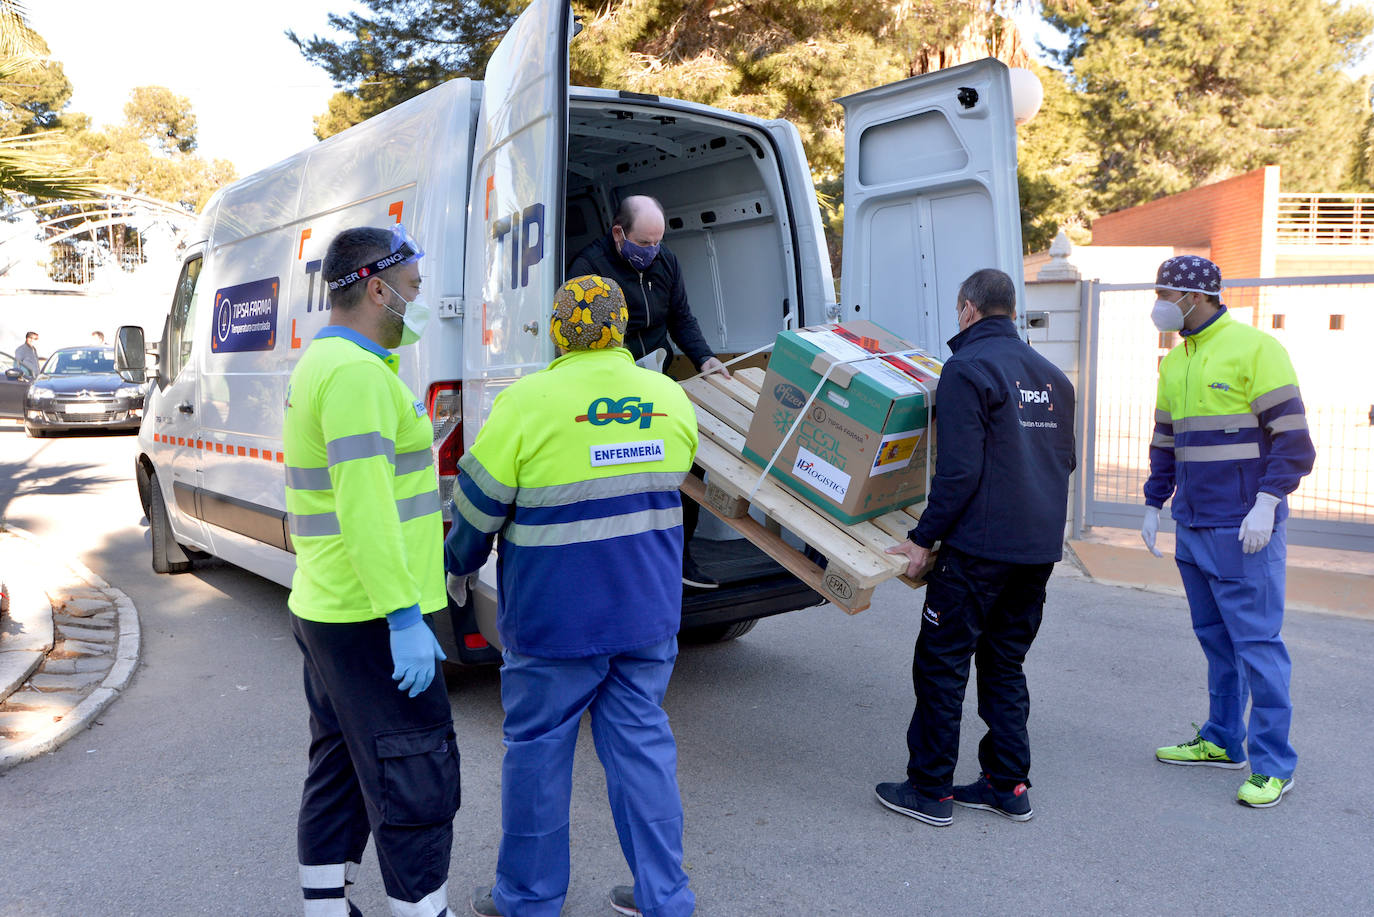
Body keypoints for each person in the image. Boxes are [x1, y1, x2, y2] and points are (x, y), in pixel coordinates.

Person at [446, 275, 697, 917]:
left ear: (557, 331)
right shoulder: (667, 397)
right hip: (646, 615)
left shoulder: (528, 403)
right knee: (642, 750)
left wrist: (458, 567)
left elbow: (477, 509)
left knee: (538, 758)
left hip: (555, 622)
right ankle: (663, 896)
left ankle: (528, 899)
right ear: (620, 329)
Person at [282, 224, 458, 917]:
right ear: (376, 287)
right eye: (411, 289)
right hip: (368, 616)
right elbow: (365, 510)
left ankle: (325, 909)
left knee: (339, 770)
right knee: (413, 773)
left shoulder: (327, 364)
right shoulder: (357, 376)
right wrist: (405, 616)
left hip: (329, 606)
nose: (416, 303)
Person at [877, 268, 1076, 827]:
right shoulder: (1054, 377)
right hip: (1037, 552)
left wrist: (922, 538)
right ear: (1010, 310)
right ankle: (1008, 785)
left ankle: (931, 790)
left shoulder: (966, 369)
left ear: (968, 310)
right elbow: (1066, 462)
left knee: (941, 665)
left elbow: (960, 472)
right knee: (1004, 663)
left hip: (979, 552)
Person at [1141, 255, 1315, 808]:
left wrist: (1268, 501)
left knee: (1259, 646)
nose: (1159, 302)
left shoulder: (1256, 349)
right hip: (1192, 525)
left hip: (1243, 527)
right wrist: (1153, 502)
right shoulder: (1176, 362)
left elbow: (1293, 440)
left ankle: (1274, 765)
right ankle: (1222, 739)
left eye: (1165, 292)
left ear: (1197, 296)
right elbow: (1165, 441)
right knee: (1217, 642)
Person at [568, 194, 728, 590]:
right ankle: (627, 562)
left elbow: (681, 319)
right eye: (643, 243)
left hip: (657, 379)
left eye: (657, 242)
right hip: (610, 386)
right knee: (626, 475)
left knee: (688, 462)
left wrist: (705, 358)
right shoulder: (588, 268)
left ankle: (681, 556)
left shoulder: (666, 262)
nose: (652, 251)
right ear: (618, 233)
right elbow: (581, 337)